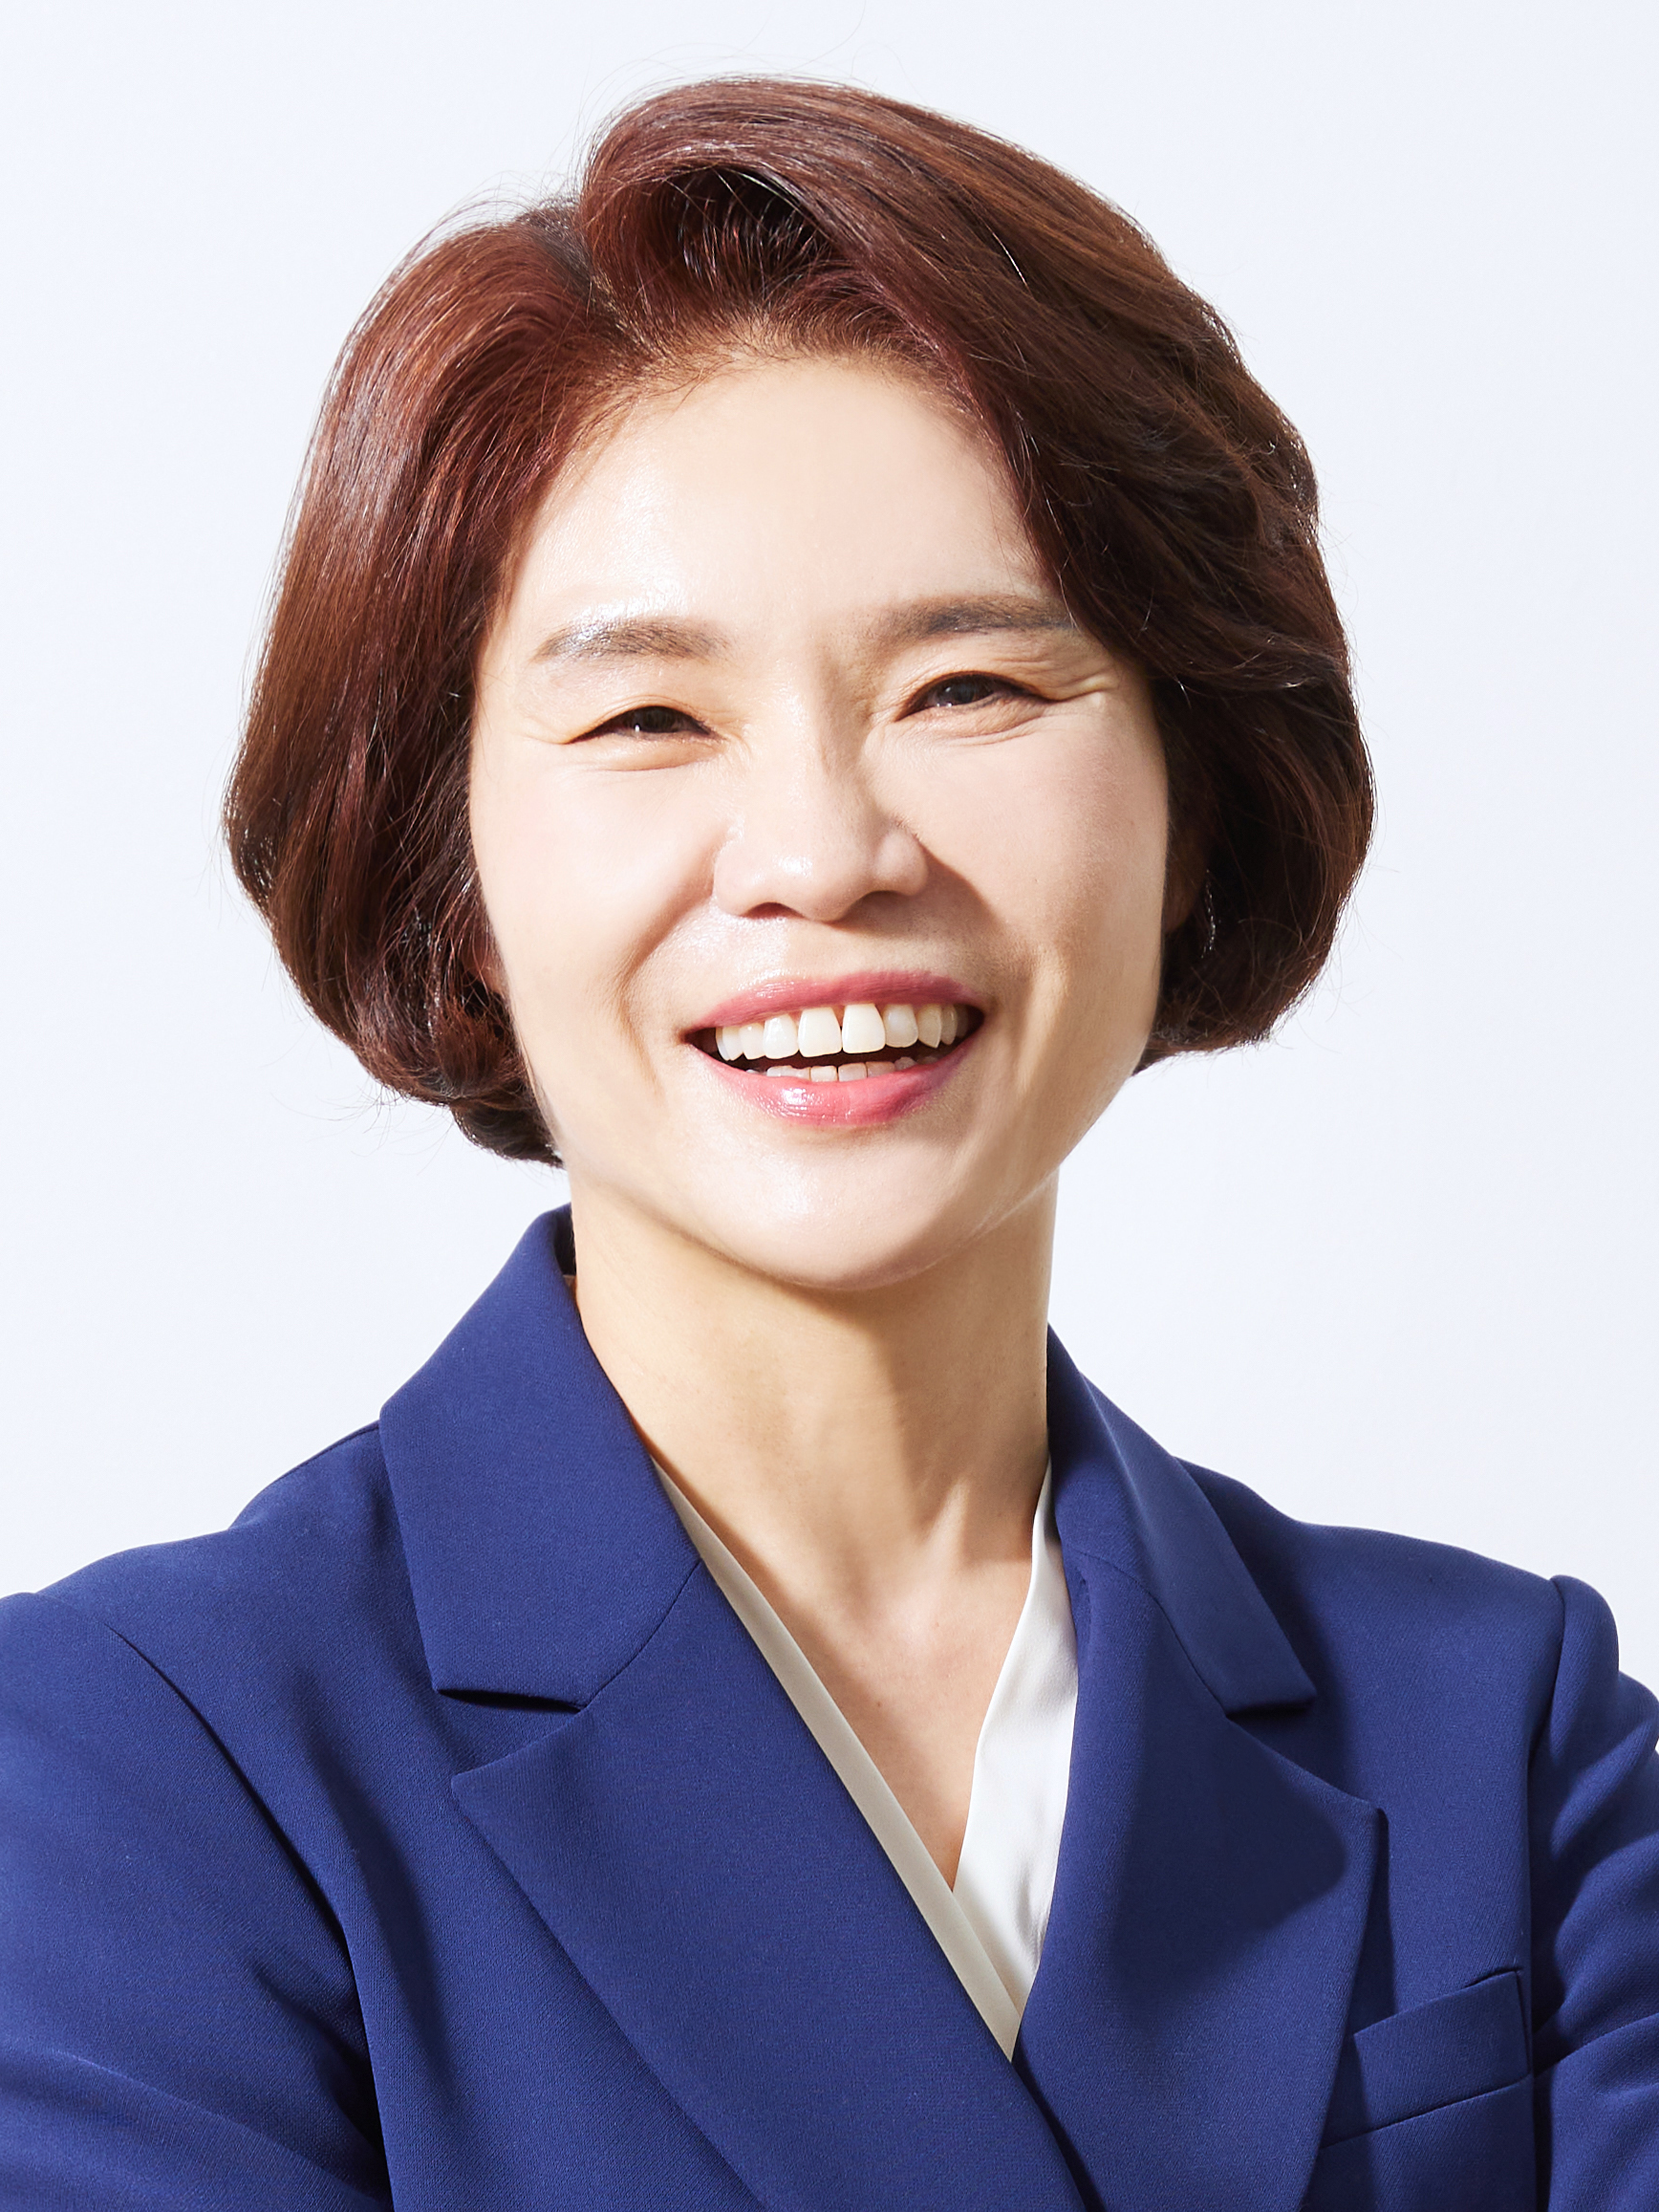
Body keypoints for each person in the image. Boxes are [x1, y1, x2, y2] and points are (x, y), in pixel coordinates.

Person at [1, 75, 1654, 2212]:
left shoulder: (1505, 1740)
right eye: (648, 718)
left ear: (1191, 802)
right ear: (453, 877)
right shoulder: (137, 1765)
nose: (821, 849)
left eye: (970, 688)